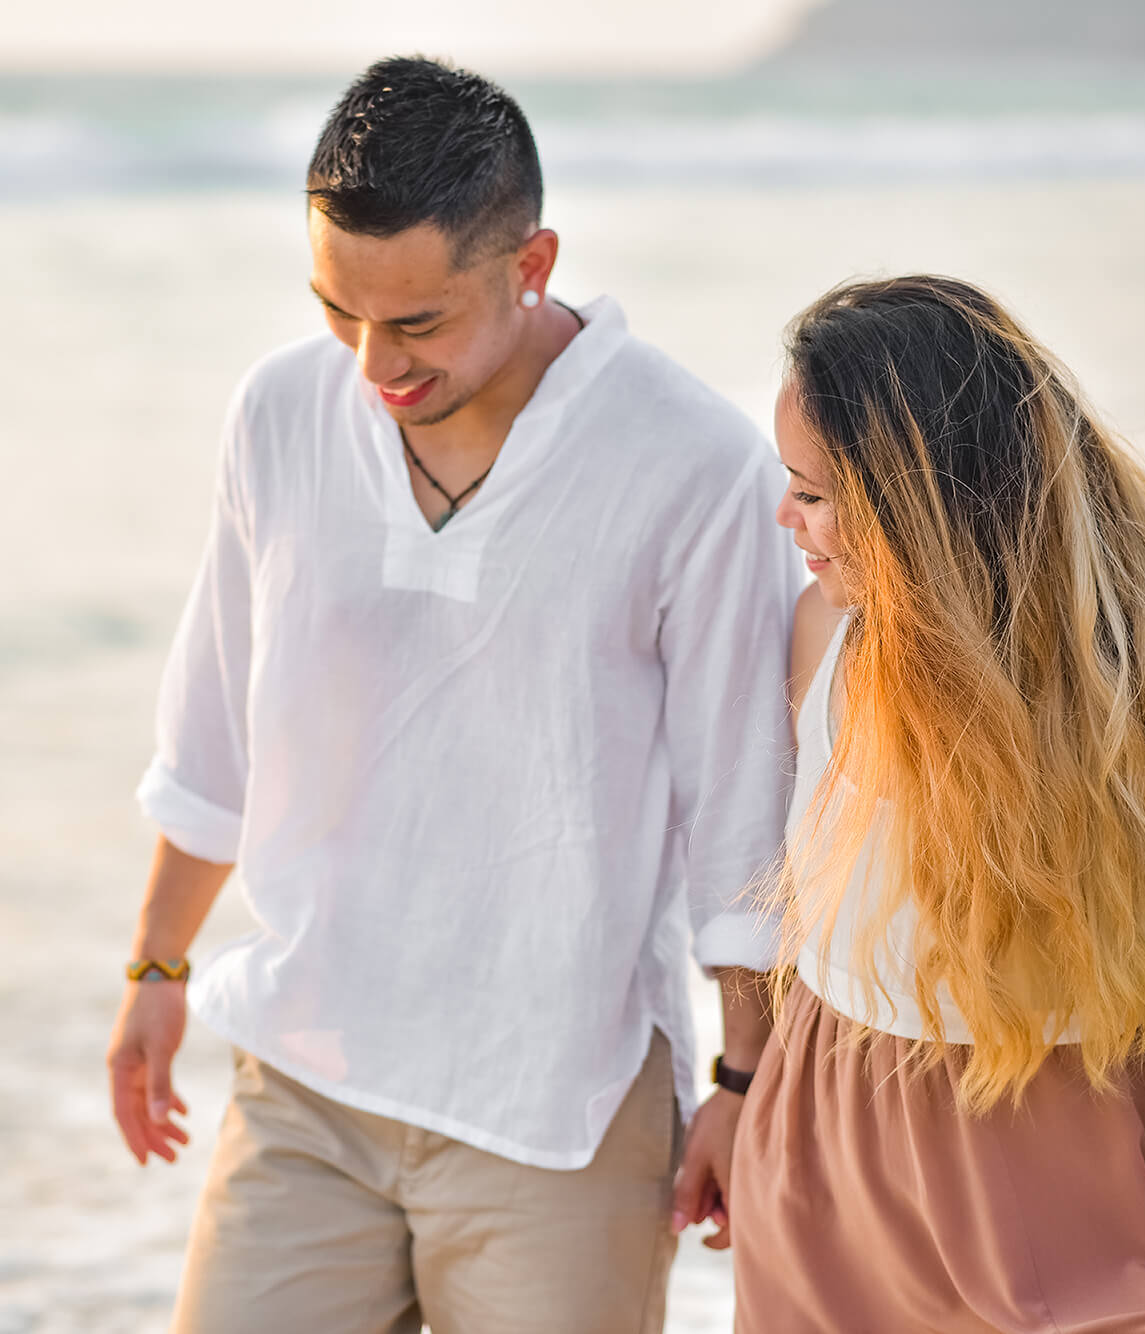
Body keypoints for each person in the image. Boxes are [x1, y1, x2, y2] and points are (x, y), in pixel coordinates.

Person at [104, 55, 801, 1334]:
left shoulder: (692, 464)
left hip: (557, 1107)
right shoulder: (277, 413)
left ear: (530, 265)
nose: (372, 363)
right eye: (336, 310)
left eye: (416, 323)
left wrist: (739, 1078)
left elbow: (737, 808)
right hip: (308, 1079)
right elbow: (214, 721)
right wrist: (156, 963)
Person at [734, 274, 1145, 1333]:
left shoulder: (1128, 715)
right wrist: (740, 1091)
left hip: (1070, 1170)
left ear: (923, 507)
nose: (786, 516)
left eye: (815, 493)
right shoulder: (824, 638)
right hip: (828, 1155)